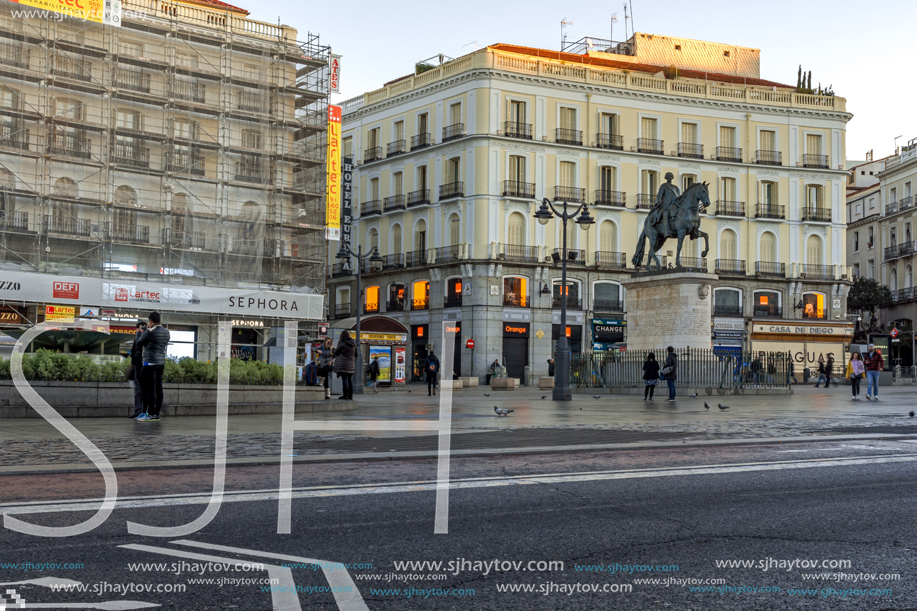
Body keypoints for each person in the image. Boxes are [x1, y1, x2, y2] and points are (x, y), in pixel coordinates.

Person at [134, 311, 170, 422]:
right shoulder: (166, 332)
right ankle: (156, 414)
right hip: (160, 364)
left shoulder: (149, 332)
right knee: (159, 389)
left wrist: (140, 333)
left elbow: (138, 343)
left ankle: (149, 413)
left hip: (149, 364)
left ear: (150, 321)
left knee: (150, 390)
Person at [127, 321, 146, 418]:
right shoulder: (137, 338)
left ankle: (142, 410)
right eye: (140, 328)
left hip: (144, 367)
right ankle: (138, 410)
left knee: (143, 390)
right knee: (138, 390)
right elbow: (134, 352)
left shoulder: (145, 338)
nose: (142, 330)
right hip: (138, 367)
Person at [654, 172, 682, 237]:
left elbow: (678, 197)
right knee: (665, 214)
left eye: (670, 176)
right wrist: (659, 202)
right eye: (668, 176)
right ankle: (666, 231)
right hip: (666, 205)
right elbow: (659, 195)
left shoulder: (676, 188)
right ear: (666, 178)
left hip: (675, 205)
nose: (669, 177)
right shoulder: (663, 186)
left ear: (672, 178)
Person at [333, 331, 356, 400]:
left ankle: (345, 395)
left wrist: (333, 349)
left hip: (343, 365)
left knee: (345, 380)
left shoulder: (342, 343)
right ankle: (350, 396)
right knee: (349, 380)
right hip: (351, 365)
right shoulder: (353, 344)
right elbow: (356, 354)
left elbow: (336, 352)